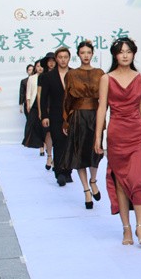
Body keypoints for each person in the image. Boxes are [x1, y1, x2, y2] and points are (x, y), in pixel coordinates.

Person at [95, 37, 141, 245]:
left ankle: (140, 227)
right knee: (120, 182)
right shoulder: (106, 79)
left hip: (138, 134)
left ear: (134, 53)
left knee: (139, 179)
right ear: (115, 55)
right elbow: (102, 109)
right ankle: (126, 229)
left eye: (129, 51)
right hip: (117, 134)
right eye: (121, 52)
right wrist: (98, 138)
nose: (125, 55)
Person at [59, 41, 104, 209]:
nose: (86, 55)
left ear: (92, 54)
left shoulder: (100, 74)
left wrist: (103, 120)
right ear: (78, 54)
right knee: (79, 154)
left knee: (95, 152)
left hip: (95, 116)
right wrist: (65, 120)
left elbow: (104, 99)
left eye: (88, 52)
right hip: (77, 117)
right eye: (82, 52)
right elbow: (67, 98)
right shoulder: (71, 74)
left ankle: (93, 181)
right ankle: (86, 190)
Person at [40, 47, 73, 186]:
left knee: (70, 143)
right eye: (60, 57)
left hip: (72, 114)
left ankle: (68, 171)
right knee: (58, 142)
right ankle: (59, 172)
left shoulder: (74, 74)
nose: (63, 60)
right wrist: (44, 116)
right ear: (56, 59)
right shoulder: (48, 76)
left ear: (69, 58)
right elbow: (43, 98)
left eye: (66, 57)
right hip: (55, 114)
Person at [22, 59, 47, 155]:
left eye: (41, 66)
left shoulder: (47, 77)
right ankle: (40, 147)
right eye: (38, 66)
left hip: (45, 104)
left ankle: (45, 146)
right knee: (35, 126)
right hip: (34, 104)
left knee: (44, 128)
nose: (40, 68)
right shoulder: (32, 78)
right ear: (35, 68)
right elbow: (28, 92)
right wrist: (28, 104)